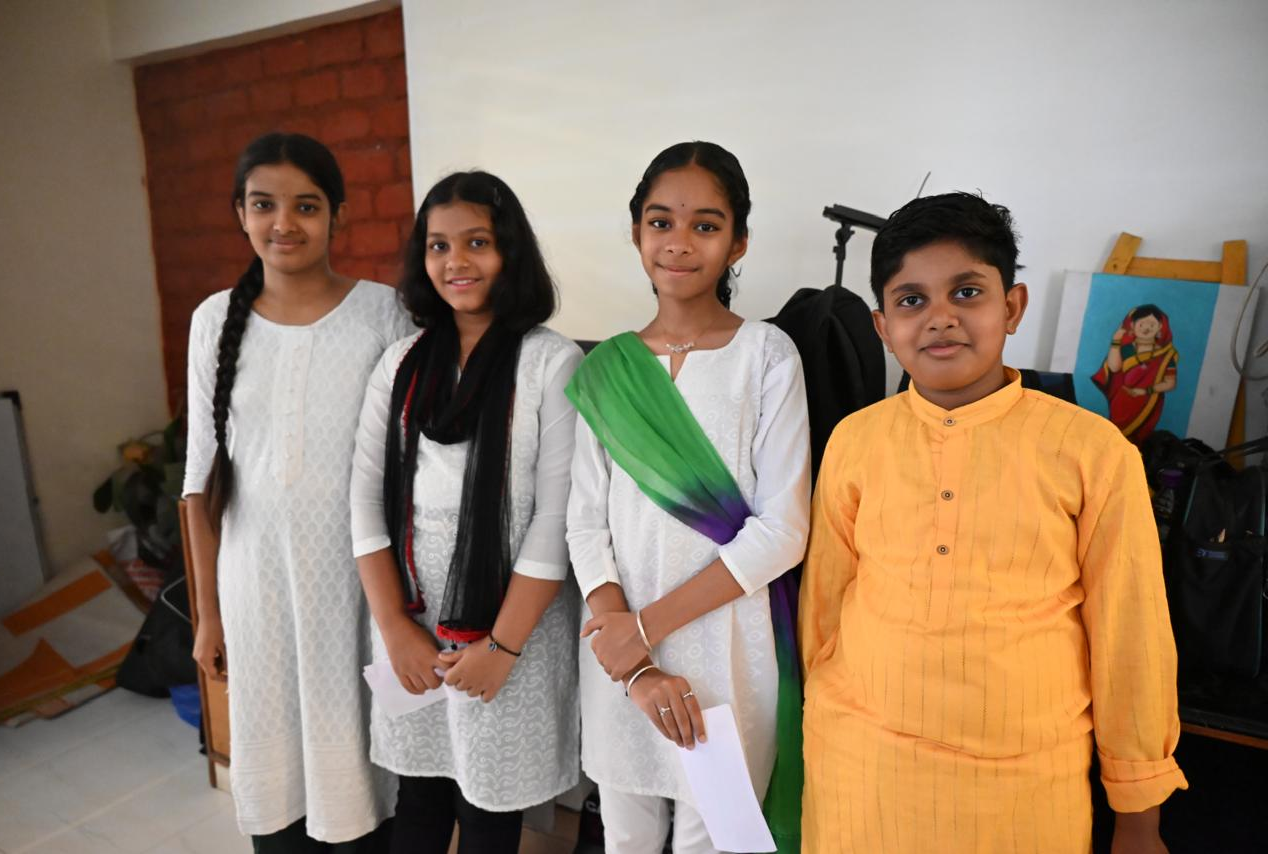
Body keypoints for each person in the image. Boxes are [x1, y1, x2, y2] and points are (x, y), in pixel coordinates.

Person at [799, 191, 1187, 853]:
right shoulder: (855, 440)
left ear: (1011, 306)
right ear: (882, 327)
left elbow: (1132, 638)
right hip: (858, 775)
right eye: (912, 300)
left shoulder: (1092, 453)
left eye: (967, 292)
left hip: (1023, 791)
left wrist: (1138, 816)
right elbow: (823, 612)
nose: (940, 318)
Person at [566, 141, 811, 854]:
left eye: (705, 225)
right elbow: (585, 526)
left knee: (717, 840)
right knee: (626, 839)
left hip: (727, 650)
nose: (678, 242)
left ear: (739, 242)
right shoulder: (606, 370)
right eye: (660, 222)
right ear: (636, 232)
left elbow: (783, 530)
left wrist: (643, 630)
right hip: (619, 658)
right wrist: (633, 658)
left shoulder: (766, 356)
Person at [185, 132, 410, 851]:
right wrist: (208, 616)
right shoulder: (213, 320)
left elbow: (408, 464)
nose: (283, 223)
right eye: (264, 205)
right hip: (254, 590)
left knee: (359, 775)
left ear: (338, 214)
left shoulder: (383, 313)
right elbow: (198, 484)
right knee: (275, 774)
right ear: (240, 213)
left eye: (306, 206)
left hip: (355, 586)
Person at [350, 171, 582, 854]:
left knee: (488, 806)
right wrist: (394, 626)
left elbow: (554, 519)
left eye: (477, 242)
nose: (456, 261)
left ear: (510, 251)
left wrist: (501, 647)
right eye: (439, 245)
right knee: (419, 794)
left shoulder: (551, 363)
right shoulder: (399, 363)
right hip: (412, 609)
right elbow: (364, 498)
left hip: (510, 619)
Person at [1092, 304, 1178, 442]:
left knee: (1136, 441)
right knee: (1113, 437)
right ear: (1132, 325)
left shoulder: (1165, 355)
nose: (1146, 328)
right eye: (1141, 324)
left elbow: (1170, 383)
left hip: (1147, 405)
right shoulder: (1126, 349)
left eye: (1151, 325)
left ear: (1160, 327)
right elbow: (1114, 368)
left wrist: (1144, 391)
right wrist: (1116, 341)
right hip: (1120, 402)